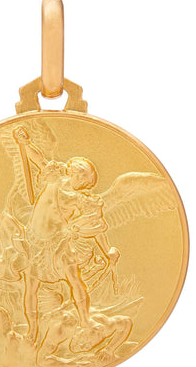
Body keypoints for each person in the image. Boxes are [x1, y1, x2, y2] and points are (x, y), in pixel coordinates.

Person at [12, 126, 120, 344]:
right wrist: (24, 143)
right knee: (30, 286)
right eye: (81, 175)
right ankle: (32, 331)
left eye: (85, 179)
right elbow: (38, 158)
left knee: (74, 280)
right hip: (34, 240)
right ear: (75, 171)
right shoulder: (54, 176)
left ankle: (85, 320)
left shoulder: (80, 199)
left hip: (58, 243)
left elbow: (96, 226)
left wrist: (107, 249)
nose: (82, 181)